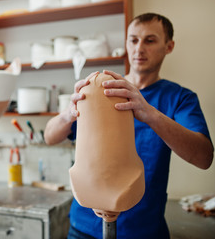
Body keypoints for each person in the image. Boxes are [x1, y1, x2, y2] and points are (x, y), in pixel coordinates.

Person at [44, 13, 213, 239]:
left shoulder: (180, 98)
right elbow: (49, 136)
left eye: (150, 40)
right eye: (133, 40)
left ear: (169, 46)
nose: (139, 48)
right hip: (84, 226)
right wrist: (69, 114)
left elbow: (204, 157)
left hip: (144, 229)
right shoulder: (101, 90)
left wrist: (150, 113)